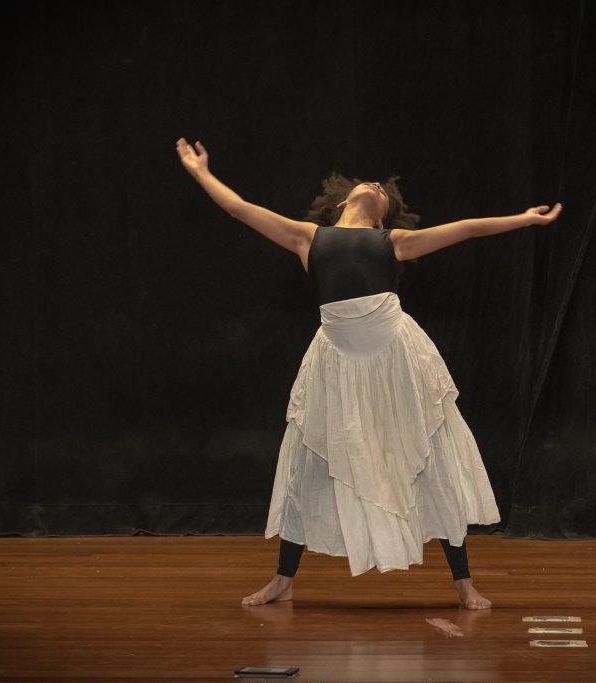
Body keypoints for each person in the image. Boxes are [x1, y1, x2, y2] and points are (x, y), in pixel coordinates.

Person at [175, 137, 562, 609]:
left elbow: (466, 229)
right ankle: (283, 578)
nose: (376, 185)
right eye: (368, 184)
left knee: (431, 456)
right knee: (305, 465)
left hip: (396, 360)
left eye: (382, 191)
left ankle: (463, 582)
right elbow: (238, 208)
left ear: (382, 215)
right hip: (335, 364)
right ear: (343, 201)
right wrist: (200, 172)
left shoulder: (391, 241)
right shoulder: (306, 237)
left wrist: (523, 219)